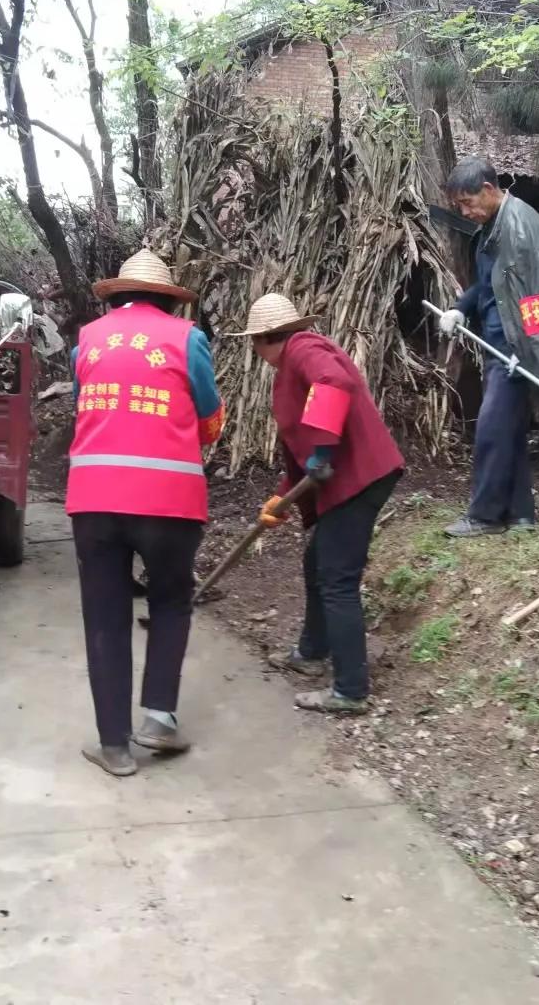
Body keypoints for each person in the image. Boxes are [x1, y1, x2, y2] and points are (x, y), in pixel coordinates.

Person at [65, 250, 224, 777]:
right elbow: (208, 415)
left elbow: (85, 404)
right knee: (171, 601)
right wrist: (190, 440)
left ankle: (113, 747)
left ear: (119, 297)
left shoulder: (88, 339)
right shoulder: (186, 338)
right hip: (170, 501)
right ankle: (158, 719)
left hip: (94, 499)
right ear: (168, 300)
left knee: (105, 616)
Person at [231, 294, 403, 715]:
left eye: (254, 343)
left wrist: (324, 451)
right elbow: (300, 449)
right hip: (345, 480)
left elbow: (334, 383)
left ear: (262, 339)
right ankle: (311, 652)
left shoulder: (305, 348)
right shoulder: (288, 367)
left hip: (360, 478)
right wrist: (283, 495)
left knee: (336, 580)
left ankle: (350, 690)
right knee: (317, 565)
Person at [439, 157, 539, 538]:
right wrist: (459, 309)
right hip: (498, 345)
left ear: (488, 189)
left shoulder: (520, 226)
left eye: (468, 203)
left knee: (490, 429)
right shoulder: (491, 230)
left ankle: (484, 516)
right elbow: (488, 287)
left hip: (516, 351)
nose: (466, 212)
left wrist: (531, 350)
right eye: (459, 207)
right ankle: (520, 515)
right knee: (509, 431)